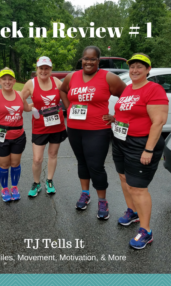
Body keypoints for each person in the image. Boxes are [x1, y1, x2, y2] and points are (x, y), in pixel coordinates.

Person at [60, 46, 126, 219]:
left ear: (99, 61)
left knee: (96, 166)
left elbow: (127, 95)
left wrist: (116, 116)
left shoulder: (108, 77)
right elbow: (62, 90)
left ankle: (102, 200)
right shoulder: (71, 77)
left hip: (98, 130)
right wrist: (68, 107)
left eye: (93, 59)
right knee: (81, 162)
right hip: (74, 129)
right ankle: (85, 193)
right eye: (85, 58)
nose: (88, 62)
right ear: (81, 59)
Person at [110, 53, 168, 249]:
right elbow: (127, 112)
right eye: (132, 66)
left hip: (141, 144)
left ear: (148, 69)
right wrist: (114, 119)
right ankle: (132, 212)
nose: (134, 70)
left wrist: (148, 149)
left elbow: (158, 122)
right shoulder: (128, 89)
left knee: (138, 187)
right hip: (120, 140)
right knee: (124, 179)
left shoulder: (154, 89)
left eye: (140, 67)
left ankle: (146, 231)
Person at [21, 56, 67, 196]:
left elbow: (69, 96)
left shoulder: (57, 82)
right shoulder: (31, 83)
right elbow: (20, 98)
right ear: (37, 69)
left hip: (57, 125)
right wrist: (28, 107)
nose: (43, 71)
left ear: (51, 69)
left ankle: (49, 180)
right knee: (37, 159)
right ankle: (36, 183)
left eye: (47, 68)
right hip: (40, 126)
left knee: (53, 154)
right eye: (41, 68)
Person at [0, 67, 32, 202]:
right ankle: (4, 188)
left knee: (15, 163)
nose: (7, 82)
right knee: (4, 164)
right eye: (4, 79)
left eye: (10, 79)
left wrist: (43, 105)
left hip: (18, 135)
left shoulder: (20, 94)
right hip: (0, 137)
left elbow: (27, 108)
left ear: (14, 81)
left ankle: (15, 187)